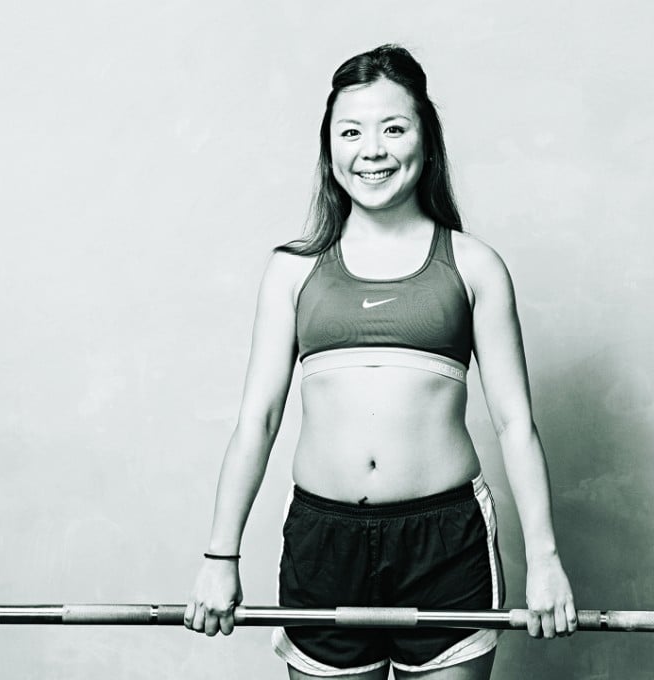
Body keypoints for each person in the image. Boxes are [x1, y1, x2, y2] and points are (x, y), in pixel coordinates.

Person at [183, 44, 576, 679]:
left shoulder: (474, 266)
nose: (372, 149)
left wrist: (547, 557)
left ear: (427, 138)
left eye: (394, 127)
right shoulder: (293, 270)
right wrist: (219, 555)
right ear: (329, 147)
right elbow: (256, 420)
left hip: (444, 544)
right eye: (352, 131)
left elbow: (514, 425)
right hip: (323, 540)